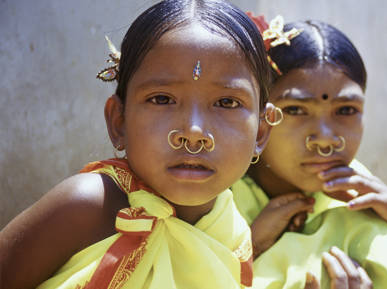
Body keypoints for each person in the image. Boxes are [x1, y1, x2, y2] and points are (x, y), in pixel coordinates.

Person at [0, 1, 278, 288]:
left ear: (260, 132)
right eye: (162, 99)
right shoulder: (86, 206)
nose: (194, 132)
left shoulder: (232, 230)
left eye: (227, 102)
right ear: (119, 122)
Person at [232, 14, 387, 289]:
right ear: (258, 118)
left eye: (346, 110)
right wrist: (250, 250)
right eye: (296, 110)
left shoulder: (379, 213)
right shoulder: (209, 206)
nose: (325, 140)